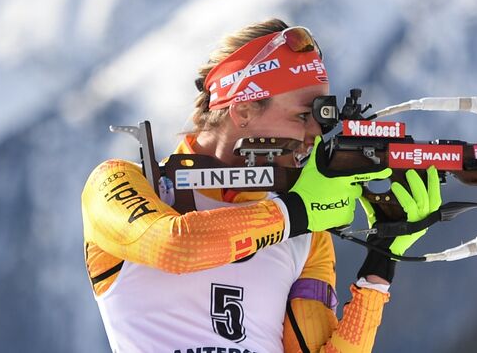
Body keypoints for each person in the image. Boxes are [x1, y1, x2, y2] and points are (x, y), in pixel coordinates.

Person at [81, 18, 441, 353]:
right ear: (243, 110)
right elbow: (176, 247)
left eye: (319, 119)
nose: (315, 134)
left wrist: (380, 264)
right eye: (303, 116)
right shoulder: (120, 182)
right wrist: (295, 212)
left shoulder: (306, 233)